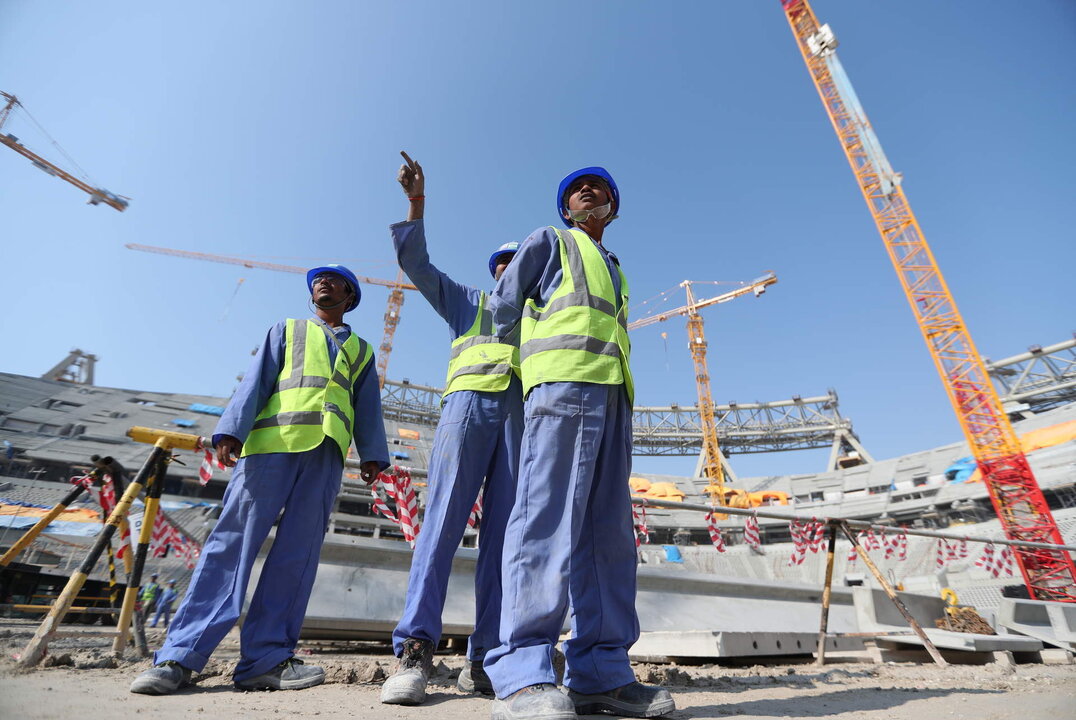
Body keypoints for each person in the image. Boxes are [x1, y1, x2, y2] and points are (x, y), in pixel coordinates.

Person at [130, 265, 389, 695]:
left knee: (296, 557)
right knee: (232, 546)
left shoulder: (361, 350)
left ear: (351, 295)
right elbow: (257, 380)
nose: (321, 282)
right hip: (270, 447)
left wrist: (374, 455)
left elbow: (368, 406)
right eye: (316, 280)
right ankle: (179, 655)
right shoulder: (287, 329)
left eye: (332, 279)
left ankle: (265, 661)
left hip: (325, 455)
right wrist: (231, 429)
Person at [482, 168, 674, 720]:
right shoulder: (549, 242)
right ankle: (522, 673)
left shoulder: (616, 269)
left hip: (613, 397)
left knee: (608, 537)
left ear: (613, 208)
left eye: (601, 188)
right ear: (566, 208)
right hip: (562, 389)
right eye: (577, 189)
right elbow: (501, 309)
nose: (589, 191)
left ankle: (601, 675)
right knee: (544, 519)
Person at [381, 152, 523, 705]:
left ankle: (485, 659)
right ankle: (414, 650)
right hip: (466, 413)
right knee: (440, 526)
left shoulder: (541, 320)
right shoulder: (468, 302)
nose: (510, 269)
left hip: (518, 424)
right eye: (504, 263)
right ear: (493, 272)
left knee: (505, 544)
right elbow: (417, 265)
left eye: (519, 262)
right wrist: (416, 203)